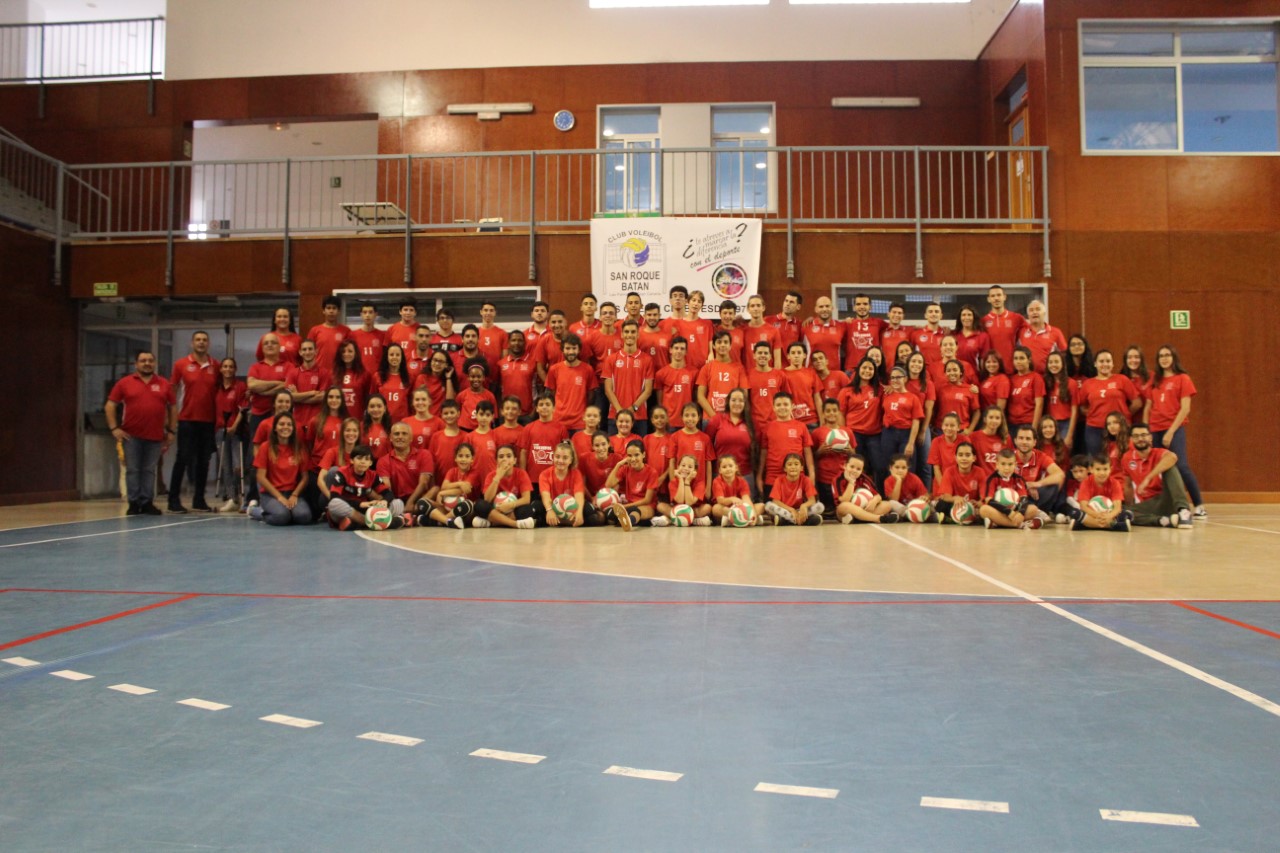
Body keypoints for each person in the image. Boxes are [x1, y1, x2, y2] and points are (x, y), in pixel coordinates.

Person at [106, 351, 177, 516]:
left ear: (154, 364)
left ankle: (147, 502)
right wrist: (114, 428)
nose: (147, 363)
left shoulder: (164, 384)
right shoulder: (124, 383)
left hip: (155, 436)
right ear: (136, 364)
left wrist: (171, 430)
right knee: (133, 470)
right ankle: (134, 503)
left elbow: (172, 408)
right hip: (131, 436)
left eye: (150, 361)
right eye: (143, 361)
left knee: (149, 470)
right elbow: (110, 405)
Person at [1145, 344, 1205, 518]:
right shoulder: (1155, 380)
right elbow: (1148, 406)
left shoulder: (1182, 378)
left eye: (1167, 355)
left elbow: (1185, 408)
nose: (1164, 358)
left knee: (1180, 465)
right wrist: (1146, 431)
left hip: (1173, 429)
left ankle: (1199, 504)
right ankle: (1167, 506)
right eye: (1161, 356)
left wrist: (1170, 432)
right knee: (1157, 468)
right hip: (1155, 429)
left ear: (1173, 358)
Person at [167, 330, 218, 513]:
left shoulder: (216, 366)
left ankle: (199, 499)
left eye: (204, 340)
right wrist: (170, 419)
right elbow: (172, 392)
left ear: (208, 344)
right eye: (198, 340)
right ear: (192, 343)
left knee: (204, 461)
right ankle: (173, 500)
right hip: (187, 419)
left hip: (208, 421)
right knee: (183, 459)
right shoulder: (181, 365)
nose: (201, 343)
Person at [1120, 423, 1194, 529]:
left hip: (1166, 499)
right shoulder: (1127, 458)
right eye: (1136, 436)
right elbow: (1127, 486)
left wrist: (1148, 478)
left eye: (1144, 435)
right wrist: (1131, 507)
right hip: (1149, 504)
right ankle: (1163, 521)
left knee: (1171, 468)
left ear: (1150, 437)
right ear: (1131, 439)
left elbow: (1173, 457)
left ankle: (1183, 511)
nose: (1140, 438)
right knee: (1123, 512)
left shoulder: (1158, 453)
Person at [324, 444, 405, 531]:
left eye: (366, 459)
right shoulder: (342, 472)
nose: (363, 462)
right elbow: (334, 497)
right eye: (359, 458)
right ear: (352, 460)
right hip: (349, 510)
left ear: (370, 463)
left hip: (365, 510)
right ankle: (378, 523)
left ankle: (357, 523)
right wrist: (360, 504)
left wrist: (384, 501)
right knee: (334, 503)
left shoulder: (372, 475)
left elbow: (388, 493)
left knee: (398, 503)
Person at [1077, 349, 1142, 455]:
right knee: (1097, 460)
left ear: (1112, 364)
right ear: (1095, 364)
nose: (1105, 364)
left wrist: (1124, 415)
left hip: (1120, 428)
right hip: (1095, 428)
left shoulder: (1122, 379)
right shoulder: (1088, 384)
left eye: (1108, 361)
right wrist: (1092, 414)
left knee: (1123, 458)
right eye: (1101, 361)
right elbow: (1082, 406)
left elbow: (1137, 403)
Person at [251, 413, 312, 526]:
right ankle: (256, 511)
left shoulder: (299, 448)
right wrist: (279, 497)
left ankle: (287, 512)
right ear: (275, 428)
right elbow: (260, 477)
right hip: (271, 494)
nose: (285, 427)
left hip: (291, 493)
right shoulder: (266, 447)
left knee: (304, 517)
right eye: (281, 424)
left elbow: (305, 477)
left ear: (293, 428)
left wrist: (294, 495)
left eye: (289, 424)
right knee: (281, 517)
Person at [756, 393, 816, 499]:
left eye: (785, 404)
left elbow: (807, 453)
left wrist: (811, 474)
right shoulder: (767, 428)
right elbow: (763, 454)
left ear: (792, 406)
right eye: (778, 405)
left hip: (796, 478)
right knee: (772, 510)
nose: (782, 407)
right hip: (772, 478)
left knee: (798, 511)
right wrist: (759, 476)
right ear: (773, 407)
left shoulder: (801, 426)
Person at [602, 319, 655, 436]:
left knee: (638, 453)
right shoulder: (611, 359)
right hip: (615, 416)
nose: (629, 335)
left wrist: (633, 408)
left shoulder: (647, 360)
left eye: (632, 332)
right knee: (614, 453)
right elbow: (608, 390)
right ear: (621, 334)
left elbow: (648, 390)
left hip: (639, 416)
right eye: (626, 332)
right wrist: (619, 411)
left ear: (638, 334)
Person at [838, 358, 884, 485]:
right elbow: (841, 413)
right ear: (858, 370)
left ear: (875, 372)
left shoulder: (879, 389)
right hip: (854, 434)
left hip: (874, 434)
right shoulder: (846, 391)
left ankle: (877, 494)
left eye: (870, 368)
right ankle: (854, 494)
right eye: (864, 367)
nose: (867, 371)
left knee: (879, 466)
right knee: (855, 468)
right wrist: (845, 434)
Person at [978, 448, 1047, 530]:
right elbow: (988, 500)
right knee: (983, 510)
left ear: (1015, 465)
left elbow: (1024, 499)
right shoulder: (991, 479)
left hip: (1015, 510)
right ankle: (1021, 525)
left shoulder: (1019, 479)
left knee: (1033, 509)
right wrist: (1008, 512)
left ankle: (998, 523)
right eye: (1003, 464)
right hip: (998, 510)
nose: (1006, 468)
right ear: (997, 464)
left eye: (1010, 464)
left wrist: (1021, 513)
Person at [705, 387, 755, 497]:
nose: (737, 403)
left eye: (741, 400)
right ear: (728, 402)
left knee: (746, 509)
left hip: (745, 474)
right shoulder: (717, 419)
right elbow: (707, 446)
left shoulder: (750, 422)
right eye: (734, 400)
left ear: (745, 403)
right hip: (721, 474)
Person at [213, 357, 247, 512]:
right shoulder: (216, 388)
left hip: (236, 431)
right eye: (225, 366)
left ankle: (241, 496)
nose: (227, 369)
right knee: (225, 465)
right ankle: (232, 498)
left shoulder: (240, 386)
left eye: (231, 366)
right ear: (220, 369)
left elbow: (243, 408)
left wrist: (234, 426)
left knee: (237, 466)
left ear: (235, 369)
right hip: (220, 431)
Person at [544, 333, 598, 431]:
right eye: (567, 348)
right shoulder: (554, 369)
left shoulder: (588, 369)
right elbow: (551, 393)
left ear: (579, 350)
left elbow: (591, 395)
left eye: (574, 348)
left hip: (580, 422)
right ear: (562, 350)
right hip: (559, 420)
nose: (571, 352)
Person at [475, 444, 536, 529]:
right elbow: (487, 499)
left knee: (528, 509)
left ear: (514, 460)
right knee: (479, 505)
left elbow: (526, 499)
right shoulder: (491, 475)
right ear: (496, 461)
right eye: (501, 456)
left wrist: (510, 505)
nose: (505, 459)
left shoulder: (521, 473)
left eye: (508, 456)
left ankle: (492, 522)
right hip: (495, 509)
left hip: (512, 510)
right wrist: (497, 477)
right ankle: (514, 524)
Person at [1011, 425, 1066, 517]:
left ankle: (1033, 512)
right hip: (1014, 495)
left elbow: (1060, 474)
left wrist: (1036, 484)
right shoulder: (1008, 456)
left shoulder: (1040, 456)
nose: (1024, 442)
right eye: (1021, 438)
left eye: (1028, 439)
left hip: (1033, 496)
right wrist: (1026, 486)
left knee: (1053, 485)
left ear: (1034, 442)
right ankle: (1033, 514)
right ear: (1015, 441)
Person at [605, 438, 659, 530]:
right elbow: (608, 485)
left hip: (645, 506)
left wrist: (624, 507)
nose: (633, 459)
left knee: (636, 511)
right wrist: (618, 464)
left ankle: (629, 521)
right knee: (609, 513)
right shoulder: (625, 468)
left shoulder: (652, 472)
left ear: (643, 455)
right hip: (628, 505)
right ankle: (636, 520)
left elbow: (647, 500)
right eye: (630, 455)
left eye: (636, 455)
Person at [696, 330, 749, 420]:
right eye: (719, 342)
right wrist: (714, 417)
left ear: (730, 346)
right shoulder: (706, 368)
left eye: (725, 342)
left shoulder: (739, 368)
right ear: (713, 345)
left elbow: (744, 394)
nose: (722, 345)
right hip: (710, 419)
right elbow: (700, 396)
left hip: (732, 419)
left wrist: (733, 415)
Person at [428, 443, 482, 529]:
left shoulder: (475, 473)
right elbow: (444, 486)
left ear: (472, 459)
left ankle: (441, 520)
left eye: (467, 456)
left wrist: (442, 494)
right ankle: (446, 521)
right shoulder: (452, 471)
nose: (463, 459)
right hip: (448, 507)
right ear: (455, 458)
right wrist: (459, 483)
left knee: (467, 505)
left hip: (467, 510)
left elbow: (464, 490)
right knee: (423, 502)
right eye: (460, 456)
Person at [831, 453, 897, 524]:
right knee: (844, 506)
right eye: (852, 467)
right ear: (845, 465)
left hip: (864, 509)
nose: (854, 470)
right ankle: (878, 518)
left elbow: (878, 496)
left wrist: (874, 501)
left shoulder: (864, 478)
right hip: (846, 511)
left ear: (862, 470)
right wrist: (851, 482)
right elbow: (844, 500)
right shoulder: (838, 479)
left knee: (887, 505)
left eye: (858, 469)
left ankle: (857, 519)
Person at [1073, 455, 1133, 532]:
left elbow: (1117, 507)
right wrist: (1098, 515)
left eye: (1105, 469)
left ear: (1110, 469)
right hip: (1092, 514)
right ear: (1091, 469)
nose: (1102, 473)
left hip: (1109, 515)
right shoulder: (1086, 483)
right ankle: (1113, 525)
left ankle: (1087, 525)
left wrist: (1109, 516)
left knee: (1127, 514)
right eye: (1098, 469)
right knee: (1075, 512)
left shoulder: (1115, 483)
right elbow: (1084, 506)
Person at [652, 453, 714, 527]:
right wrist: (681, 479)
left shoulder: (699, 483)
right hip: (677, 509)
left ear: (695, 470)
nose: (685, 468)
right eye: (683, 465)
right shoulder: (673, 482)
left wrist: (687, 481)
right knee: (660, 506)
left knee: (707, 507)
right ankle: (692, 520)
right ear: (678, 467)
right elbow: (680, 501)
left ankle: (672, 519)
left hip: (693, 509)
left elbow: (689, 502)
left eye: (690, 467)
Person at [879, 365, 923, 468]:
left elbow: (916, 421)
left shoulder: (913, 398)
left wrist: (911, 443)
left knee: (907, 465)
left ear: (905, 378)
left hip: (906, 434)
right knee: (888, 465)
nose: (895, 380)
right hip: (888, 433)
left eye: (898, 377)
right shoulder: (886, 394)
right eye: (892, 378)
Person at [539, 441, 591, 527]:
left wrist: (579, 512)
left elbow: (579, 496)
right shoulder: (544, 474)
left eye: (565, 458)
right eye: (557, 457)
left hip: (571, 510)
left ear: (571, 460)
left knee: (591, 513)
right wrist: (549, 510)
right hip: (552, 508)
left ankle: (562, 522)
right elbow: (545, 496)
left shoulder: (576, 473)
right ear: (553, 457)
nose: (560, 461)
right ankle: (558, 520)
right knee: (536, 507)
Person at [903, 352, 935, 487]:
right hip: (905, 427)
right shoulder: (902, 381)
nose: (916, 364)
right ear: (908, 364)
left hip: (922, 426)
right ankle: (910, 495)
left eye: (919, 362)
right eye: (913, 361)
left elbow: (929, 409)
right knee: (909, 463)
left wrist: (923, 430)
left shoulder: (928, 384)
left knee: (925, 463)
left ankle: (926, 494)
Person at [524, 391, 570, 485]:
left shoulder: (562, 429)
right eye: (541, 404)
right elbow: (523, 452)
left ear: (553, 408)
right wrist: (523, 475)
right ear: (536, 408)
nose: (544, 407)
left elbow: (566, 452)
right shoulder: (528, 428)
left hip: (554, 478)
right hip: (532, 478)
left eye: (547, 404)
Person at [932, 440, 982, 524]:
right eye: (960, 455)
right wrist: (955, 498)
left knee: (987, 506)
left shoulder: (980, 472)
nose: (964, 458)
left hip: (972, 506)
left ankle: (951, 519)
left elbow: (984, 496)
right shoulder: (949, 471)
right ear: (955, 457)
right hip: (955, 505)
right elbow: (946, 496)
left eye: (967, 455)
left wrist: (979, 502)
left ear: (974, 458)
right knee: (941, 505)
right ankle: (959, 518)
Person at [766, 452, 823, 526]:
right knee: (768, 506)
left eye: (796, 464)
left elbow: (812, 500)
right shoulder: (779, 480)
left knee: (820, 507)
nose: (793, 467)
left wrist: (804, 506)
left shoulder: (806, 480)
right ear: (785, 468)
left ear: (801, 468)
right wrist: (791, 509)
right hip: (785, 510)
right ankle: (803, 520)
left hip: (800, 510)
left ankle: (786, 520)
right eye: (789, 464)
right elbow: (775, 501)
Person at [290, 338, 331, 434]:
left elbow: (321, 397)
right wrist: (312, 393)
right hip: (297, 423)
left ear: (316, 351)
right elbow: (290, 397)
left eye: (310, 349)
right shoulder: (293, 373)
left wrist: (298, 396)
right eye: (304, 349)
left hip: (318, 423)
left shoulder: (325, 373)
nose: (307, 352)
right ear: (300, 352)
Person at [710, 455, 764, 526]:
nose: (728, 469)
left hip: (741, 507)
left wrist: (752, 513)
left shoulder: (742, 481)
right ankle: (739, 518)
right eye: (724, 467)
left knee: (761, 506)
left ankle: (745, 518)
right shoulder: (717, 481)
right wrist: (732, 499)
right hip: (726, 508)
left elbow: (746, 499)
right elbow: (720, 500)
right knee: (715, 508)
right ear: (720, 470)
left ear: (736, 468)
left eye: (730, 466)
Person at [747, 341, 788, 434]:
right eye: (760, 353)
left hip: (775, 423)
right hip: (755, 424)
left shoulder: (779, 375)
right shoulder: (748, 375)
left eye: (766, 353)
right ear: (754, 355)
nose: (763, 355)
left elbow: (787, 399)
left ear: (770, 356)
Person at [982, 285, 1024, 373]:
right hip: (992, 370)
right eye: (993, 296)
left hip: (1012, 370)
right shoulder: (983, 321)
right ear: (988, 299)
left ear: (1004, 297)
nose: (996, 298)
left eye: (999, 295)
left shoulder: (1016, 318)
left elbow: (1031, 333)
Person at [1042, 351, 1079, 451]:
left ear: (1063, 364)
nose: (1053, 365)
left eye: (1056, 362)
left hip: (1065, 424)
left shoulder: (1071, 383)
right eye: (1051, 362)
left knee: (1063, 453)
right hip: (1048, 424)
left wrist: (1070, 435)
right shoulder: (1045, 382)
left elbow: (1075, 410)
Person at [1007, 345, 1045, 436]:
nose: (1018, 361)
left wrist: (1034, 428)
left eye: (1022, 358)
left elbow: (1039, 404)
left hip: (1028, 424)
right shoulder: (1011, 379)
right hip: (1012, 425)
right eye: (1016, 358)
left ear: (1029, 360)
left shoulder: (1036, 378)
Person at [654, 336, 696, 418]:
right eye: (676, 348)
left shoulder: (694, 372)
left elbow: (695, 398)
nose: (679, 351)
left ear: (686, 352)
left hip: (687, 420)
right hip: (668, 421)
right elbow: (660, 402)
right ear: (670, 350)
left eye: (682, 349)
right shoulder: (661, 373)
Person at [934, 359, 980, 436]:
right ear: (945, 373)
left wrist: (970, 430)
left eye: (955, 370)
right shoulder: (939, 388)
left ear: (961, 372)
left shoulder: (970, 389)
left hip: (962, 431)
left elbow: (977, 412)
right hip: (942, 430)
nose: (952, 373)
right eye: (949, 370)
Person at [782, 342, 822, 428]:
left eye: (799, 353)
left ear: (804, 355)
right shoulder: (782, 374)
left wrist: (822, 421)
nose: (796, 356)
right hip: (792, 421)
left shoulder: (811, 373)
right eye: (793, 353)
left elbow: (817, 398)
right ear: (788, 356)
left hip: (812, 420)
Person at [1018, 300, 1066, 371]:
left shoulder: (1056, 332)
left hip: (1047, 376)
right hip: (1027, 375)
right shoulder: (1021, 332)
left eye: (1038, 309)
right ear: (1028, 315)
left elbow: (1064, 354)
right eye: (1031, 310)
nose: (1034, 312)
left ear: (1044, 313)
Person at [306, 295, 351, 371]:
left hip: (339, 372)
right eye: (328, 308)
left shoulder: (346, 331)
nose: (331, 311)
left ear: (339, 311)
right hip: (318, 372)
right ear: (323, 311)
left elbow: (350, 353)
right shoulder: (315, 330)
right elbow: (308, 352)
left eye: (334, 308)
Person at [842, 292, 884, 372]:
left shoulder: (879, 323)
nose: (862, 307)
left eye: (865, 304)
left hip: (872, 368)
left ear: (870, 307)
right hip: (851, 369)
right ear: (854, 307)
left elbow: (894, 326)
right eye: (858, 304)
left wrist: (915, 327)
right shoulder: (847, 324)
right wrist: (811, 321)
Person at [332, 339, 372, 418]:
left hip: (357, 418)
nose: (346, 354)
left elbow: (368, 398)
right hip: (337, 418)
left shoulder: (365, 374)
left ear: (356, 353)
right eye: (343, 351)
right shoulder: (332, 374)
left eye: (350, 351)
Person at [800, 296, 843, 368]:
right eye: (821, 307)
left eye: (827, 306)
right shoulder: (806, 326)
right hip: (812, 373)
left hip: (834, 372)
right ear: (816, 309)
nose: (824, 309)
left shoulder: (841, 326)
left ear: (832, 308)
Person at [374, 344, 413, 422]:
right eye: (391, 355)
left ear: (402, 357)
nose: (394, 357)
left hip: (402, 422)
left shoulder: (409, 377)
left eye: (397, 355)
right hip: (383, 420)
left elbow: (411, 402)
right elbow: (373, 399)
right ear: (387, 357)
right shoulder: (378, 376)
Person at [741, 295, 782, 370]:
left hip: (767, 377)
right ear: (748, 309)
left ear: (763, 308)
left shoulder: (773, 331)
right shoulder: (742, 330)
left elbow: (777, 361)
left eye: (758, 305)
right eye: (752, 306)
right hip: (747, 377)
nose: (755, 308)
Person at [455, 361, 497, 431]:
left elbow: (494, 417)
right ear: (468, 377)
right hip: (464, 430)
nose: (476, 379)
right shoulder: (461, 395)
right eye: (473, 376)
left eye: (479, 376)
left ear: (483, 378)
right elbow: (456, 413)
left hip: (483, 430)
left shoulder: (490, 396)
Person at [969, 406, 1010, 476]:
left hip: (999, 478)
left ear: (1001, 420)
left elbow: (1009, 460)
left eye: (997, 418)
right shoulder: (973, 437)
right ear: (985, 419)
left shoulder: (1006, 438)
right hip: (980, 478)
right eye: (991, 417)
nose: (994, 421)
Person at [416, 350, 457, 418]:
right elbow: (419, 402)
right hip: (425, 418)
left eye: (441, 362)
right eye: (435, 360)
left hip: (442, 419)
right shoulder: (422, 378)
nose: (437, 364)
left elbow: (449, 402)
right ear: (431, 361)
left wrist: (448, 377)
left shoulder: (448, 381)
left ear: (446, 365)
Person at [402, 387, 444, 454]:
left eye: (424, 399)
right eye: (417, 400)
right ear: (412, 402)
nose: (420, 402)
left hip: (431, 461)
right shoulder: (405, 422)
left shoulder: (439, 422)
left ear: (429, 401)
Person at [349, 301, 386, 375]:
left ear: (375, 314)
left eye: (370, 312)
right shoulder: (353, 335)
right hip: (359, 375)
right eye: (365, 312)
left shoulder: (383, 335)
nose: (367, 315)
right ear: (361, 315)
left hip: (377, 376)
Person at [534, 310, 570, 385]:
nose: (556, 325)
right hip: (552, 385)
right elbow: (540, 368)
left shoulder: (575, 339)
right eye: (553, 322)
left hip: (572, 383)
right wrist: (550, 385)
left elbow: (584, 364)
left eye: (560, 322)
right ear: (549, 324)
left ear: (565, 322)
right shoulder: (544, 341)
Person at [952, 304, 991, 373]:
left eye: (969, 315)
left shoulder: (982, 336)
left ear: (974, 317)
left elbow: (984, 360)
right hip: (955, 375)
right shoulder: (953, 335)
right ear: (959, 318)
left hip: (973, 375)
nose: (966, 317)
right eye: (963, 315)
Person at [637, 303, 673, 371]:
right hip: (644, 375)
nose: (652, 317)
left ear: (659, 316)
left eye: (655, 315)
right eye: (649, 315)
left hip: (663, 377)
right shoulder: (637, 334)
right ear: (644, 316)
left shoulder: (668, 335)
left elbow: (672, 359)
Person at [911, 302, 947, 367]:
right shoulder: (916, 334)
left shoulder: (946, 335)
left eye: (936, 312)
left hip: (940, 372)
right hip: (923, 373)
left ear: (941, 316)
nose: (933, 314)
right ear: (925, 315)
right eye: (930, 311)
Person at [768, 290, 804, 354]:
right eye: (786, 301)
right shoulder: (768, 320)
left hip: (790, 363)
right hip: (772, 363)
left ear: (798, 307)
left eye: (791, 302)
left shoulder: (799, 324)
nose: (787, 304)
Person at [429, 309, 464, 373]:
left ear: (453, 320)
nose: (445, 320)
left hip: (454, 373)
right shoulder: (431, 339)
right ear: (438, 321)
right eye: (442, 318)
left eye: (448, 318)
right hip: (436, 373)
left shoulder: (460, 340)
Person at [476, 301, 507, 372]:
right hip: (479, 373)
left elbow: (504, 359)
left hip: (496, 373)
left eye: (491, 310)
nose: (488, 313)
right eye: (485, 310)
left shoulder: (502, 333)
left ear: (495, 313)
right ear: (481, 312)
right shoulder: (475, 333)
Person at [880, 304, 911, 371]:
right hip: (885, 371)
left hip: (903, 371)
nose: (896, 315)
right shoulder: (881, 331)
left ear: (903, 316)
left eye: (899, 313)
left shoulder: (909, 331)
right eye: (894, 312)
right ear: (888, 314)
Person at [362, 394, 394, 459]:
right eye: (372, 406)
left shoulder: (392, 428)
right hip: (365, 465)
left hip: (386, 465)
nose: (376, 409)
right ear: (367, 409)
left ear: (384, 408)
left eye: (379, 406)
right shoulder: (360, 427)